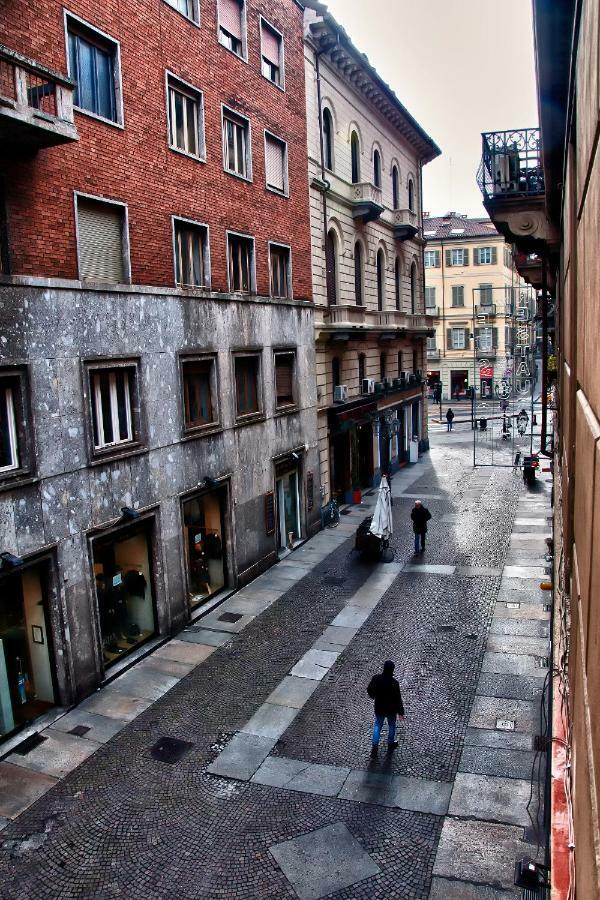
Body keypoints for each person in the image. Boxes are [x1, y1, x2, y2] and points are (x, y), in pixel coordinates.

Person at [367, 660, 405, 758]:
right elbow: (398, 698)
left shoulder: (376, 679)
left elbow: (370, 690)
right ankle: (390, 743)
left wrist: (373, 696)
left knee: (377, 726)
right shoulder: (394, 683)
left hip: (379, 707)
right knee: (392, 725)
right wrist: (401, 712)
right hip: (391, 710)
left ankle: (374, 748)